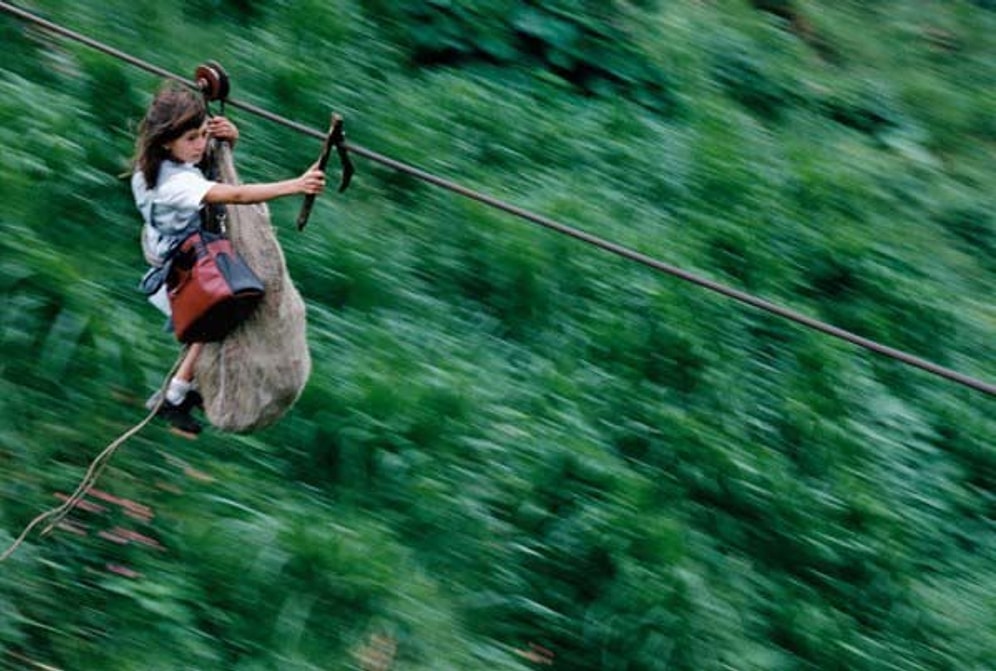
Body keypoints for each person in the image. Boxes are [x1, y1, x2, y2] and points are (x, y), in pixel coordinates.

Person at [132, 82, 326, 434]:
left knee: (206, 331)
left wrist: (227, 140)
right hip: (183, 269)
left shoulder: (157, 163)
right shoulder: (174, 185)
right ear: (166, 141)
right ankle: (177, 394)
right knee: (220, 316)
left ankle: (179, 391)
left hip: (180, 250)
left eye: (204, 134)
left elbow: (208, 170)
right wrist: (295, 185)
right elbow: (234, 194)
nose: (201, 145)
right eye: (192, 138)